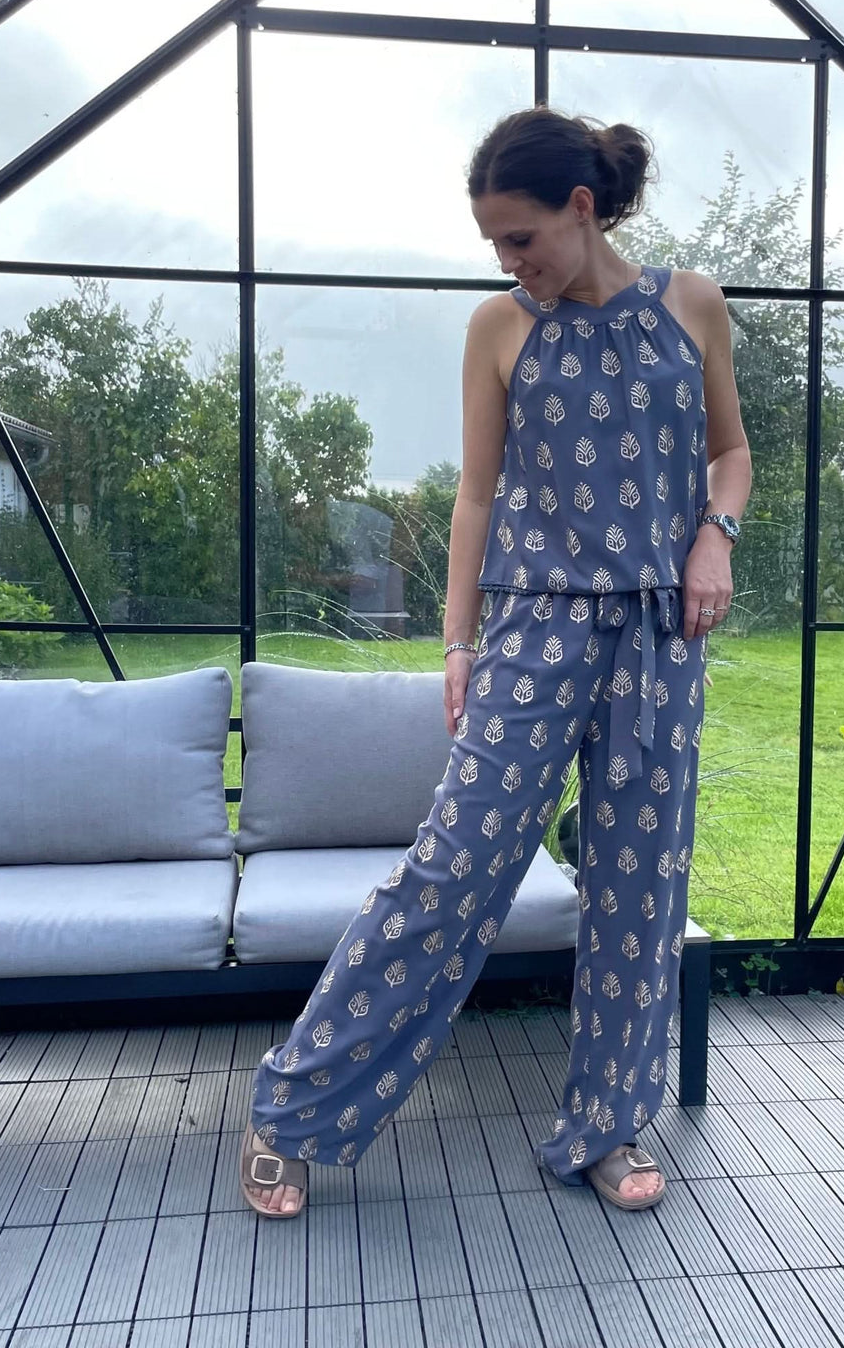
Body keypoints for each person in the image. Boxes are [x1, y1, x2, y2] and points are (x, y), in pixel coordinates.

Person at [239, 105, 752, 1218]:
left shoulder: (692, 305)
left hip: (660, 638)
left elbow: (730, 450)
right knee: (451, 867)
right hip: (534, 629)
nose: (508, 260)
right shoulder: (498, 327)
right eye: (493, 243)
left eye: (519, 236)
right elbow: (475, 497)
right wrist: (458, 639)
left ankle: (606, 1123)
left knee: (638, 887)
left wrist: (715, 532)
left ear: (582, 207)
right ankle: (291, 1109)